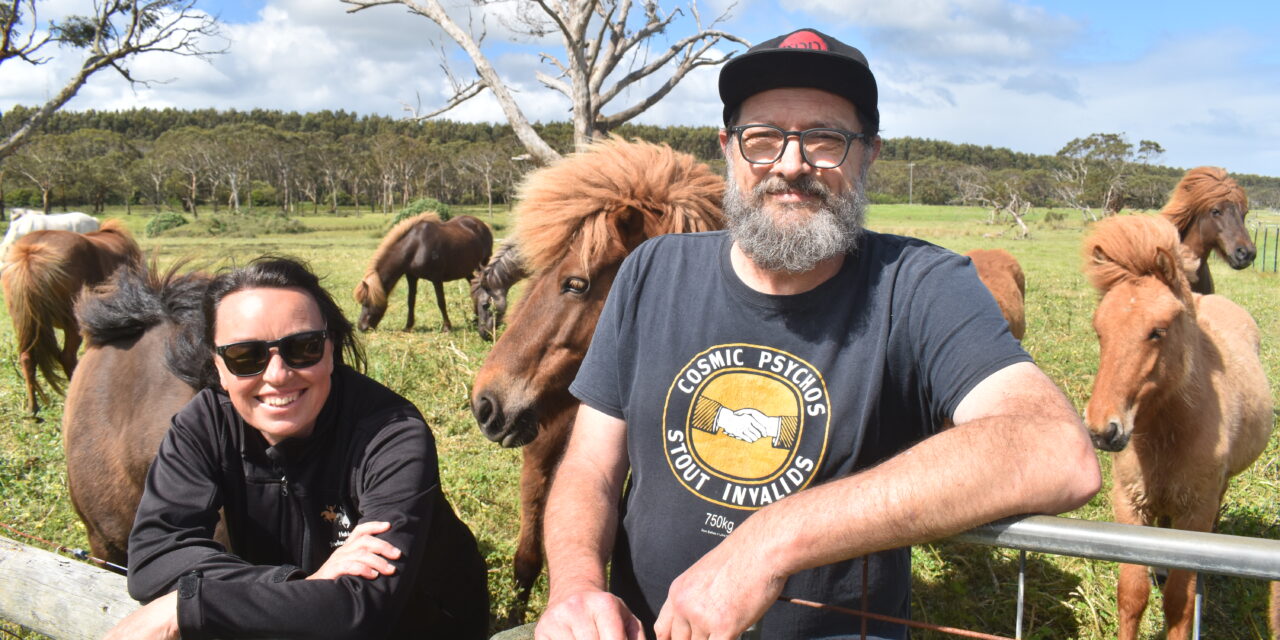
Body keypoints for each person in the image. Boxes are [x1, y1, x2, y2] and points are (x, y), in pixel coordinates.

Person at [535, 28, 1101, 640]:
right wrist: (575, 588)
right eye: (763, 138)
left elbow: (1054, 451)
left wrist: (770, 541)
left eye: (826, 140)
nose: (791, 164)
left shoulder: (918, 286)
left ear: (870, 153)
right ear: (729, 148)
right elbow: (590, 466)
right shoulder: (653, 271)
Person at [105, 257, 489, 639]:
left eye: (303, 348)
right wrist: (302, 584)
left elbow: (366, 608)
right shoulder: (204, 424)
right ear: (218, 366)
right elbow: (155, 557)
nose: (277, 375)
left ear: (331, 348)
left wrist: (189, 605)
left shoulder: (391, 433)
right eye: (246, 356)